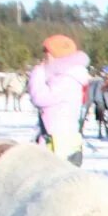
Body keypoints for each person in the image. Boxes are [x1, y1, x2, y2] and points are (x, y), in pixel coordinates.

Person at [28, 34, 90, 166]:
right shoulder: (67, 76)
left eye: (47, 53)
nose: (44, 57)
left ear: (56, 55)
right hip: (61, 143)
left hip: (60, 146)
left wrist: (37, 74)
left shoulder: (67, 79)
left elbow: (40, 98)